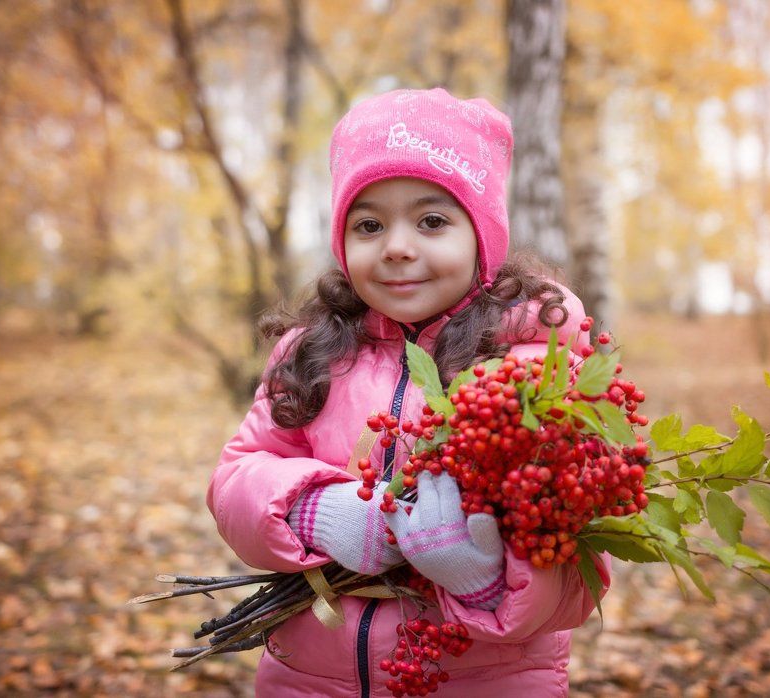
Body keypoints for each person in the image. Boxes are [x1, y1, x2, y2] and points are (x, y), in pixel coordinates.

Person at [208, 87, 610, 698]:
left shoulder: (539, 373)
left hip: (480, 679)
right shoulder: (312, 353)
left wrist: (483, 579)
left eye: (431, 220)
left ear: (483, 237)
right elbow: (237, 476)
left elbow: (577, 563)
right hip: (306, 680)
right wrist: (315, 510)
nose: (396, 246)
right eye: (369, 224)